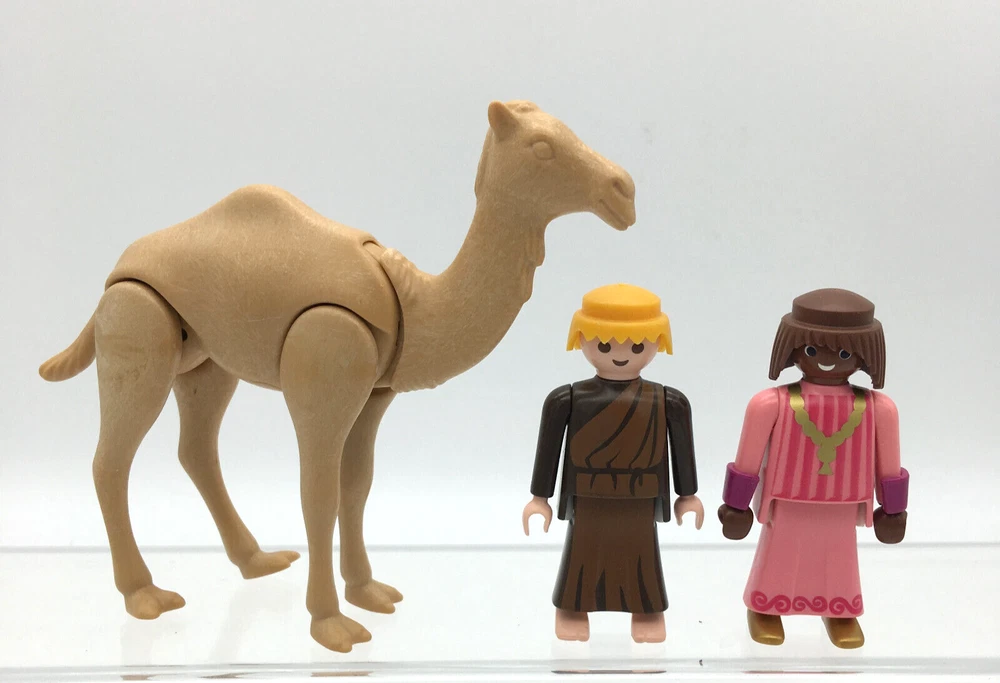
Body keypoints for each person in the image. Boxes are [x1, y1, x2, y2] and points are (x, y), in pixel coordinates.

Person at [719, 288, 909, 649]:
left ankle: (840, 611)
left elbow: (890, 462)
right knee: (780, 553)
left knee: (839, 557)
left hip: (844, 501)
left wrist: (894, 508)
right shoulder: (770, 403)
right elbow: (748, 456)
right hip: (787, 498)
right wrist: (736, 505)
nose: (826, 361)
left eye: (844, 353)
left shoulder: (878, 409)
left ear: (865, 356)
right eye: (811, 350)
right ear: (792, 348)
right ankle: (766, 607)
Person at [522, 283, 704, 643]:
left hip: (641, 495)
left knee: (641, 554)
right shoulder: (567, 399)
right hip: (588, 494)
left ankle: (647, 610)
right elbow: (549, 450)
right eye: (604, 345)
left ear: (656, 344)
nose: (621, 355)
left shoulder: (668, 401)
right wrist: (539, 498)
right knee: (583, 551)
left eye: (637, 346)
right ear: (582, 340)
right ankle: (573, 608)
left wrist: (688, 495)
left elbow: (682, 449)